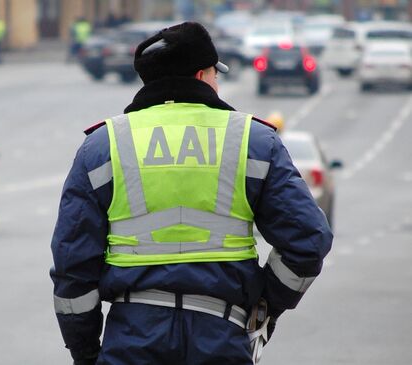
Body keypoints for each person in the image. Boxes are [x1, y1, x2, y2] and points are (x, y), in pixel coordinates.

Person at [50, 22, 332, 365]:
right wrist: (264, 307)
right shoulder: (252, 141)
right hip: (221, 336)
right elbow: (308, 241)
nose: (218, 83)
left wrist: (86, 352)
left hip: (131, 339)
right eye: (216, 74)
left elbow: (72, 265)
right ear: (201, 76)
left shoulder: (103, 145)